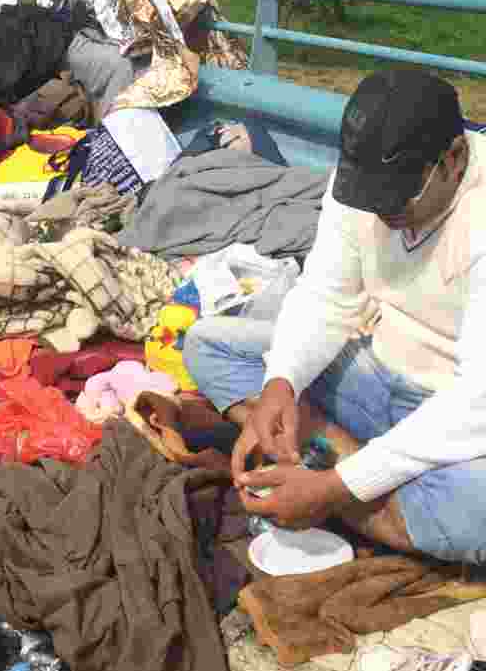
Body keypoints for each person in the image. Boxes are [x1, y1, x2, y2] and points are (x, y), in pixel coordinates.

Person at [183, 68, 486, 565]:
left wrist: (338, 487)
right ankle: (348, 474)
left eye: (397, 199)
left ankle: (321, 473)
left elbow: (477, 402)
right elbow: (325, 294)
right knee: (209, 343)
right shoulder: (365, 182)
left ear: (453, 158)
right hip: (372, 371)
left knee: (476, 508)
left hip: (455, 407)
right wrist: (282, 383)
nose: (382, 212)